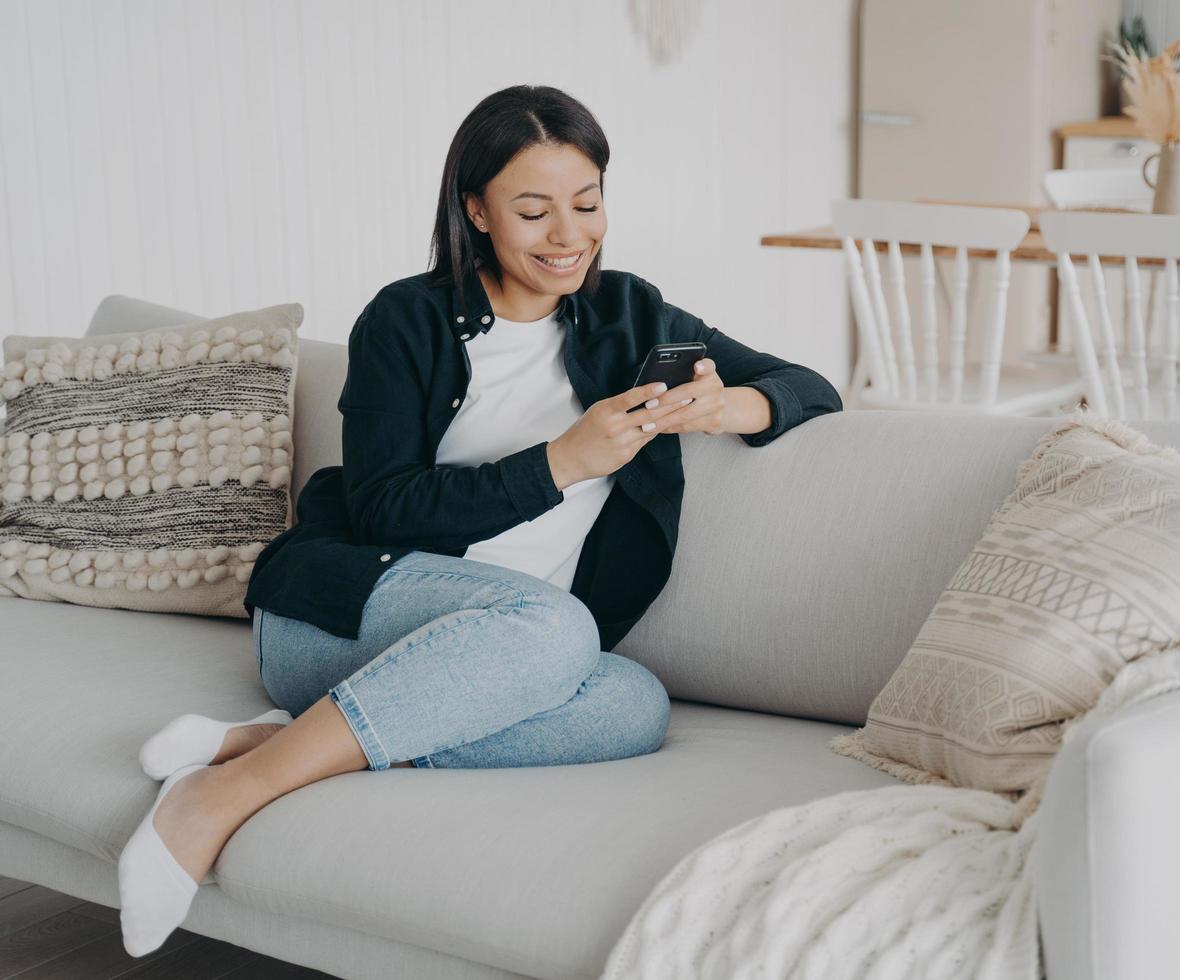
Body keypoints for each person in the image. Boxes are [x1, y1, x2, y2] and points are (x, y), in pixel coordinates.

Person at [115, 84, 841, 956]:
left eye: (587, 203)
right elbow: (385, 505)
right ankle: (219, 797)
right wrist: (562, 462)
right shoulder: (404, 320)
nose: (569, 236)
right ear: (477, 210)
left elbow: (809, 385)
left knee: (633, 705)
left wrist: (739, 411)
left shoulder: (631, 314)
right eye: (533, 211)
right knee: (555, 626)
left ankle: (282, 742)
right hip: (336, 617)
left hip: (507, 659)